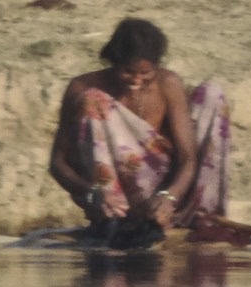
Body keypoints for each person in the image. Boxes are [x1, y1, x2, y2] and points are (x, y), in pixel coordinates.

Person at [48, 17, 231, 245]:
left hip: (167, 195)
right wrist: (93, 193)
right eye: (128, 72)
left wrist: (169, 197)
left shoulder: (168, 84)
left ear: (156, 66)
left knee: (211, 93)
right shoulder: (82, 86)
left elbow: (188, 157)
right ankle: (113, 221)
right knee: (93, 100)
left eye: (145, 74)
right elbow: (57, 163)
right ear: (113, 62)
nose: (136, 81)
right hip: (115, 201)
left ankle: (202, 217)